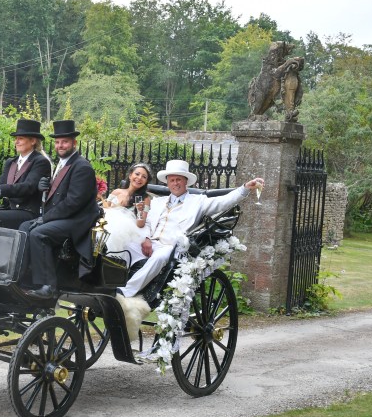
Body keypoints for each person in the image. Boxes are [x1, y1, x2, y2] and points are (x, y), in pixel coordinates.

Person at [118, 159, 264, 299]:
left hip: (172, 247)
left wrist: (245, 188)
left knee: (159, 257)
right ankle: (113, 283)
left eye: (179, 180)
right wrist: (146, 239)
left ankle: (126, 291)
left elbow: (223, 202)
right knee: (125, 246)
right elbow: (147, 223)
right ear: (167, 182)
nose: (175, 183)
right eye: (172, 180)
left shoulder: (197, 202)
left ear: (185, 181)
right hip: (152, 242)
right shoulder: (158, 202)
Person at [20, 120, 101, 299]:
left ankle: (48, 286)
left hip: (78, 222)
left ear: (74, 143)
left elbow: (73, 203)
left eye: (64, 142)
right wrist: (45, 188)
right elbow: (57, 197)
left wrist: (46, 218)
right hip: (63, 218)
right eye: (57, 142)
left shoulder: (82, 167)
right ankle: (23, 277)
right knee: (25, 227)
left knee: (39, 234)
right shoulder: (63, 164)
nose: (60, 145)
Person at [101, 163, 153, 266]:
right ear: (130, 175)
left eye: (144, 177)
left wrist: (140, 211)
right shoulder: (117, 192)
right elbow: (105, 207)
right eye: (137, 174)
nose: (139, 178)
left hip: (126, 228)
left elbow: (140, 224)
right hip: (107, 220)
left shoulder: (144, 198)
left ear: (146, 181)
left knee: (113, 234)